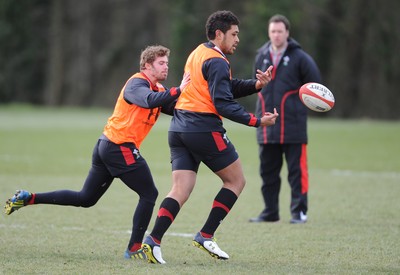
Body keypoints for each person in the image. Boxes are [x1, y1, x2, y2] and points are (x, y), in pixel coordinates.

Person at [4, 45, 190, 260]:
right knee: (149, 194)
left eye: (167, 63)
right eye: (161, 63)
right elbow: (148, 100)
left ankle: (29, 198)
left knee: (86, 198)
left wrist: (201, 101)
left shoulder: (158, 90)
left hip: (108, 146)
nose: (166, 67)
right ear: (147, 65)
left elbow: (175, 107)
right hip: (119, 147)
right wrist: (178, 90)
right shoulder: (136, 83)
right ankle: (134, 249)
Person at [140, 10, 279, 264]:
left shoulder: (199, 52)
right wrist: (257, 121)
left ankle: (152, 241)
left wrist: (256, 85)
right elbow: (223, 102)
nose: (237, 39)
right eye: (234, 34)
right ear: (219, 34)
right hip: (203, 129)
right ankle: (206, 235)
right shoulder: (217, 60)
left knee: (180, 189)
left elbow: (223, 87)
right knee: (236, 181)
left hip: (179, 128)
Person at [249, 14, 321, 224]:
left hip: (293, 126)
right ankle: (270, 212)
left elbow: (316, 86)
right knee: (267, 173)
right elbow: (256, 85)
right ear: (268, 33)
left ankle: (299, 212)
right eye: (273, 31)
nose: (276, 35)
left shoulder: (301, 57)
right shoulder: (261, 55)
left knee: (297, 174)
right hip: (266, 125)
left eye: (280, 31)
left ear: (287, 33)